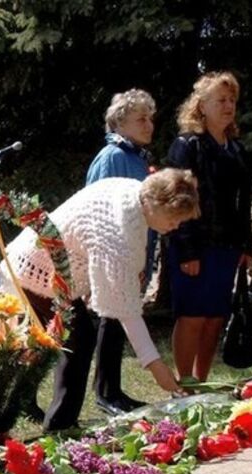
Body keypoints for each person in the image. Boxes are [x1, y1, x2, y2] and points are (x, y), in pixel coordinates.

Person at [4, 170, 194, 430]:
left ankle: (35, 413)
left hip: (52, 270)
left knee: (63, 340)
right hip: (37, 270)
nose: (176, 226)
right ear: (156, 203)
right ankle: (59, 425)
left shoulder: (135, 194)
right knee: (78, 338)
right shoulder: (117, 228)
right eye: (174, 219)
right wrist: (155, 365)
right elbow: (126, 310)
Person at [165, 71, 252, 383]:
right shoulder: (187, 145)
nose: (228, 106)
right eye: (220, 100)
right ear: (201, 105)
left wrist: (246, 245)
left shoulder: (237, 150)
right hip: (194, 246)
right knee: (193, 315)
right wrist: (187, 249)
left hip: (227, 247)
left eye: (232, 100)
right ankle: (183, 384)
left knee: (215, 317)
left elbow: (244, 202)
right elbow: (177, 199)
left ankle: (201, 382)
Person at [83, 88, 157, 415]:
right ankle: (106, 393)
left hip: (131, 254)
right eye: (141, 119)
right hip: (113, 254)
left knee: (117, 320)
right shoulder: (112, 157)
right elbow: (99, 207)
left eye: (150, 118)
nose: (149, 125)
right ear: (119, 123)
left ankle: (114, 390)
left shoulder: (137, 157)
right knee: (110, 318)